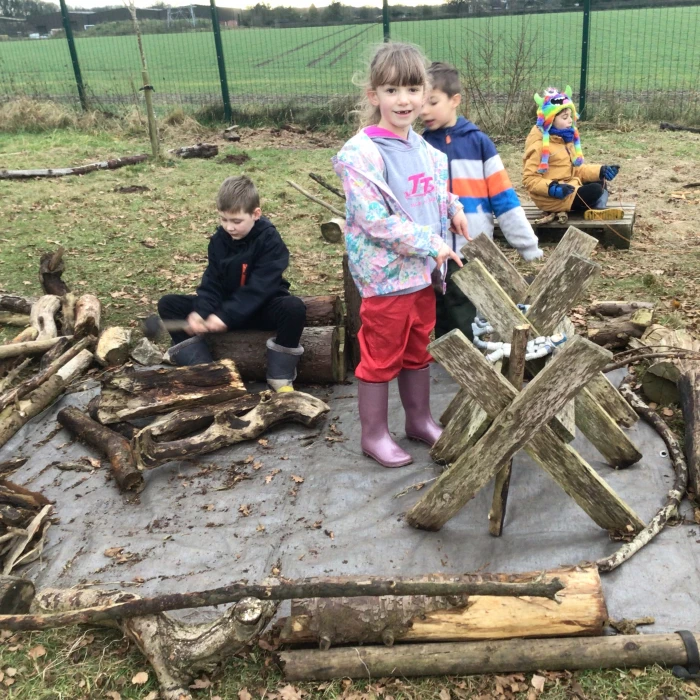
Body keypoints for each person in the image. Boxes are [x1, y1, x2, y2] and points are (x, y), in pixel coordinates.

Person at [333, 42, 468, 469]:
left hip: (423, 275)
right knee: (380, 356)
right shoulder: (361, 155)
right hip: (387, 279)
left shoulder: (426, 151)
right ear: (374, 95)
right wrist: (433, 243)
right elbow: (375, 220)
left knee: (417, 349)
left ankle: (419, 419)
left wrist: (454, 209)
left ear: (425, 91)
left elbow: (432, 193)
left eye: (412, 89)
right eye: (392, 90)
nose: (404, 100)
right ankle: (373, 434)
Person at [421, 61, 543, 340]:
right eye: (421, 102)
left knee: (466, 313)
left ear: (455, 101)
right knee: (438, 313)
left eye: (432, 102)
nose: (424, 110)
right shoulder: (418, 146)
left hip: (472, 250)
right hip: (433, 253)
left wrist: (527, 244)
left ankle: (471, 365)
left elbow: (504, 198)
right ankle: (447, 364)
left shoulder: (479, 143)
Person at [157, 175, 306, 392]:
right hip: (224, 310)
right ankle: (206, 372)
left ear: (256, 214)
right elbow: (212, 282)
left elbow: (260, 288)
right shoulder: (219, 241)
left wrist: (226, 315)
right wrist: (202, 311)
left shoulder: (270, 240)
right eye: (223, 220)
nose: (229, 227)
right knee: (169, 304)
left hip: (259, 310)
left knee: (294, 308)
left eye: (236, 221)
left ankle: (280, 377)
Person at [523, 86, 623, 220]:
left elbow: (577, 171)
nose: (570, 120)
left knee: (600, 182)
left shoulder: (565, 140)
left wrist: (601, 170)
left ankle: (598, 209)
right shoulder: (539, 146)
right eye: (565, 117)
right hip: (552, 197)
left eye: (570, 116)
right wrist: (552, 188)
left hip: (570, 186)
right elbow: (529, 180)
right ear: (550, 120)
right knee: (595, 190)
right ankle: (597, 206)